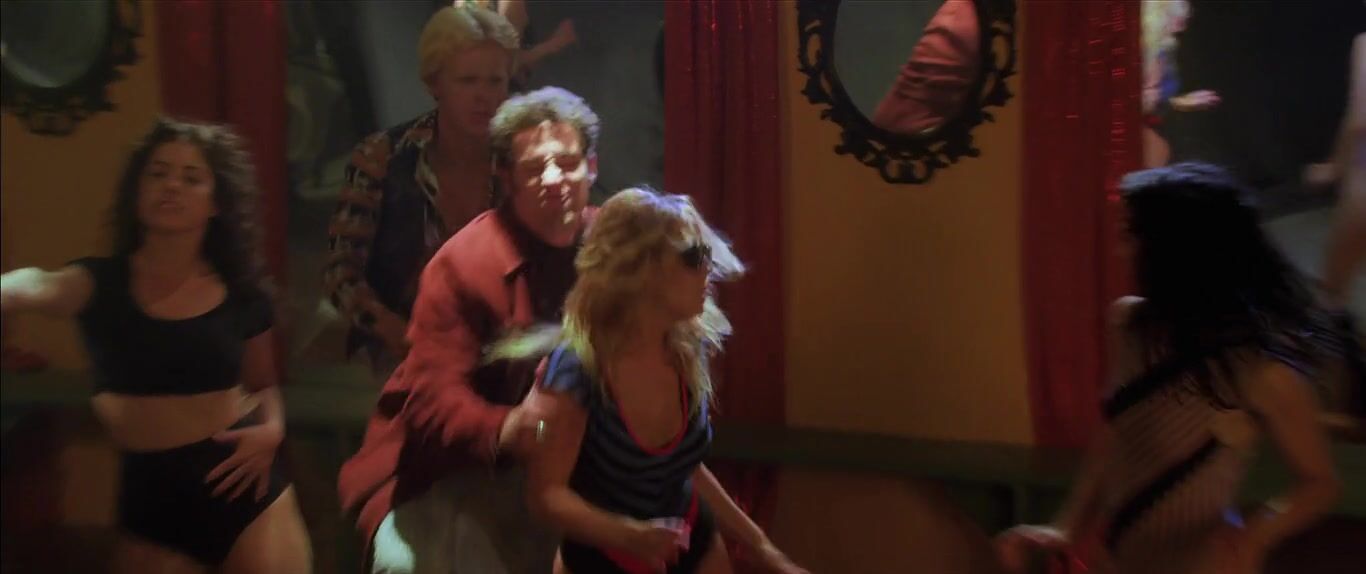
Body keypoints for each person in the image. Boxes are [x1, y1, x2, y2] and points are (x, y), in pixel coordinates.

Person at [995, 163, 1342, 574]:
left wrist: (1260, 532)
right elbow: (1116, 436)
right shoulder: (1129, 324)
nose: (1120, 250)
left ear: (1174, 250)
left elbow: (1320, 484)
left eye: (1131, 235)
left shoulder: (1260, 370)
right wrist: (1066, 528)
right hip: (1119, 561)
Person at [0, 118, 312, 573]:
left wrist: (273, 430)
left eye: (191, 177)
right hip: (148, 496)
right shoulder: (98, 283)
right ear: (137, 190)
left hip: (239, 485)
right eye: (158, 173)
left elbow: (263, 383)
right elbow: (35, 285)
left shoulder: (242, 295)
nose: (172, 186)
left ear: (216, 202)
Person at [337, 86, 601, 574]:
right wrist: (512, 428)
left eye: (566, 163)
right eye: (533, 168)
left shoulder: (616, 252)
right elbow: (434, 401)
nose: (553, 179)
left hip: (577, 470)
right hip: (450, 470)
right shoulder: (464, 263)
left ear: (592, 167)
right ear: (506, 177)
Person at [499, 187, 807, 574]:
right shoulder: (579, 369)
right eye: (693, 256)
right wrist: (630, 536)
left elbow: (684, 467)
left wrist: (764, 549)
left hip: (692, 542)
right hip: (604, 560)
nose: (708, 269)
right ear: (641, 269)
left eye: (707, 254)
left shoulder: (685, 348)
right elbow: (545, 496)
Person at [324, 4, 519, 376]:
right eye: (467, 81)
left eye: (495, 81)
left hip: (501, 349)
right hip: (401, 351)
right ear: (434, 84)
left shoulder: (521, 158)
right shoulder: (383, 155)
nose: (483, 96)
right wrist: (395, 331)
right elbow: (340, 272)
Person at [1142, 0, 1221, 168]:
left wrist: (1184, 102)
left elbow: (1158, 101)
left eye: (1184, 20)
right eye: (1177, 19)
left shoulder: (1164, 52)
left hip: (1156, 138)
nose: (1182, 27)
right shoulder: (1140, 51)